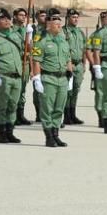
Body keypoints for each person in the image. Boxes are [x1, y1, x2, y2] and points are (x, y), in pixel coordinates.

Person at [30, 12, 73, 147]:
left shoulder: (63, 41)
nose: (59, 26)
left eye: (60, 23)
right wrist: (37, 78)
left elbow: (68, 59)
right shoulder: (41, 41)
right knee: (47, 108)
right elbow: (36, 61)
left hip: (62, 79)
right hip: (48, 78)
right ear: (48, 26)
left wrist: (70, 75)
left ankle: (56, 135)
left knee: (59, 108)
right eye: (56, 24)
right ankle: (49, 137)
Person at [0, 9, 25, 144]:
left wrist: (29, 35)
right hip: (3, 76)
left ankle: (10, 132)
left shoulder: (16, 36)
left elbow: (25, 52)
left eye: (8, 19)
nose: (7, 21)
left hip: (16, 76)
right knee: (2, 105)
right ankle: (1, 133)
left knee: (13, 105)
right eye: (3, 19)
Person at [62, 9, 87, 125]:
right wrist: (67, 64)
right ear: (67, 18)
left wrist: (84, 64)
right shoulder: (63, 32)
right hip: (69, 65)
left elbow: (84, 49)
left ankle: (73, 114)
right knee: (68, 91)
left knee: (76, 90)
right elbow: (62, 50)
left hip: (79, 65)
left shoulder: (80, 32)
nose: (76, 19)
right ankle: (66, 115)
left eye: (77, 17)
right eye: (73, 17)